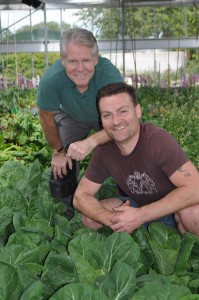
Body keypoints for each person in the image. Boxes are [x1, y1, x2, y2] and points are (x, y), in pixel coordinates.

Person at [73, 82, 199, 236]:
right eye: (107, 115)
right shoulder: (105, 151)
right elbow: (80, 197)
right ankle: (138, 244)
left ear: (138, 111)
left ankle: (189, 256)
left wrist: (140, 215)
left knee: (194, 215)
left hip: (173, 210)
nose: (116, 121)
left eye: (122, 111)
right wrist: (112, 218)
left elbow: (195, 189)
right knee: (90, 218)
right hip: (137, 206)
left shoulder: (157, 140)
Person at [36, 28, 123, 219]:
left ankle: (127, 201)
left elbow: (123, 122)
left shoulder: (109, 76)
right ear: (63, 60)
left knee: (125, 149)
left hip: (107, 119)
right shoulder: (51, 79)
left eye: (86, 60)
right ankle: (67, 215)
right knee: (63, 164)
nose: (80, 68)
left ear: (96, 59)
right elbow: (46, 116)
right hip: (72, 117)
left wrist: (91, 142)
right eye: (73, 61)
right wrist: (58, 151)